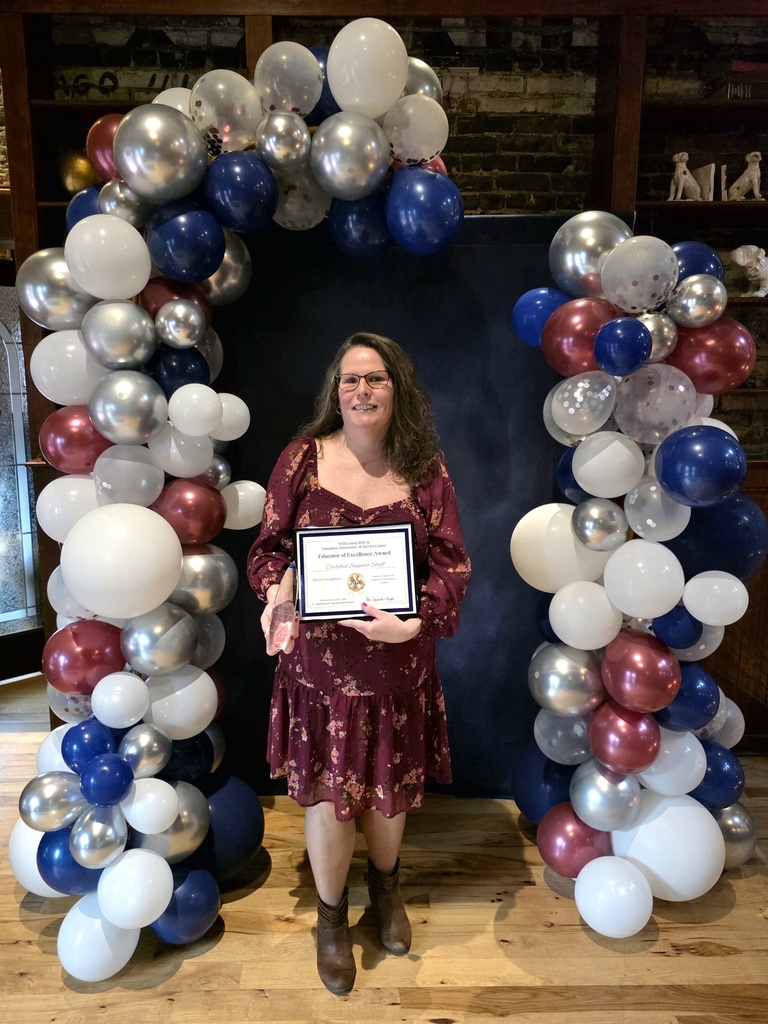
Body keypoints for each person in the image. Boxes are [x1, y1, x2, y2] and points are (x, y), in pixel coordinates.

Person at [247, 331, 471, 995]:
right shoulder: (301, 460)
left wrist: (415, 624)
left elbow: (453, 564)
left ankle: (387, 891)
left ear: (396, 389)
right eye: (351, 380)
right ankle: (330, 917)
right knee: (328, 798)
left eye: (375, 379)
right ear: (335, 393)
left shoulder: (425, 466)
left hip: (399, 668)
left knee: (388, 794)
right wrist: (278, 594)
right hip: (319, 672)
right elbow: (268, 551)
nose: (362, 390)